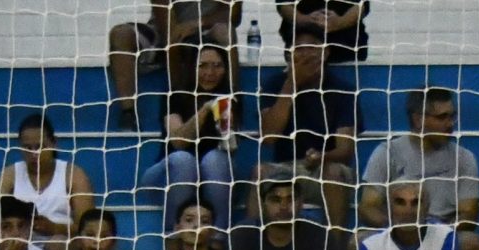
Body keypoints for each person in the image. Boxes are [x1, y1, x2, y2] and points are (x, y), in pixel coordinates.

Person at [358, 85, 479, 250]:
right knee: (357, 241)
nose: (450, 124)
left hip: (442, 233)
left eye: (452, 117)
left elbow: (469, 214)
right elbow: (368, 206)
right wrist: (403, 229)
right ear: (418, 120)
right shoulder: (387, 152)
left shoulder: (464, 157)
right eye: (442, 117)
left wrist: (434, 233)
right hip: (396, 232)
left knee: (471, 243)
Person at [139, 43, 249, 232]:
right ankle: (174, 238)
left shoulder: (229, 98)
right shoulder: (174, 95)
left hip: (214, 180)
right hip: (168, 178)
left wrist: (226, 127)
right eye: (203, 65)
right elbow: (179, 142)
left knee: (217, 159)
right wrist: (205, 109)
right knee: (183, 160)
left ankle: (217, 241)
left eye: (217, 66)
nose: (210, 72)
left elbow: (230, 149)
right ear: (192, 68)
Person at [256, 34, 357, 228]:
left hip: (325, 168)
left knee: (334, 172)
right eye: (298, 49)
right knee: (259, 172)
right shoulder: (274, 84)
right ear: (288, 56)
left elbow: (345, 151)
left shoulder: (342, 88)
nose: (305, 55)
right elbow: (269, 137)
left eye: (311, 48)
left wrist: (321, 157)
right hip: (285, 168)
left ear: (325, 52)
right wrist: (291, 83)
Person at [107, 0, 240, 132]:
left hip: (207, 29)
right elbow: (168, 29)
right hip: (165, 32)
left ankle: (231, 105)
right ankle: (128, 113)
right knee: (121, 35)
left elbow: (234, 15)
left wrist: (196, 24)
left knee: (226, 31)